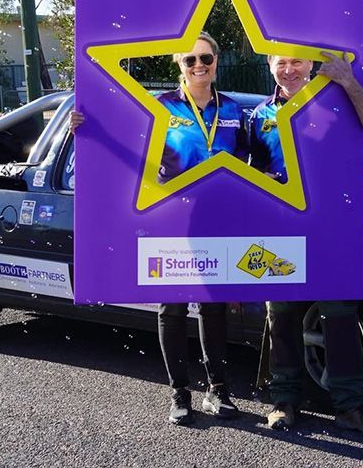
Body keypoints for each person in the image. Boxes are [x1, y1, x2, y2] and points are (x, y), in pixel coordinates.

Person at [71, 32, 248, 426]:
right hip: (171, 220)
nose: (199, 66)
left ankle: (218, 390)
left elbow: (249, 165)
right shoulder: (160, 107)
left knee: (214, 307)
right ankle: (180, 393)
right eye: (190, 60)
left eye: (206, 58)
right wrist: (84, 130)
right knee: (173, 307)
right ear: (178, 64)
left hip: (217, 221)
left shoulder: (234, 109)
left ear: (217, 61)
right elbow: (124, 146)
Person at [250, 51, 363, 438]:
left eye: (297, 62)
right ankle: (284, 401)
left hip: (332, 227)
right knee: (281, 314)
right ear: (270, 66)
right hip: (279, 228)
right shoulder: (259, 115)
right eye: (281, 63)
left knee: (339, 313)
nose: (289, 70)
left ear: (311, 65)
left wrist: (348, 81)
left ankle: (350, 406)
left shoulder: (339, 101)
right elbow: (251, 172)